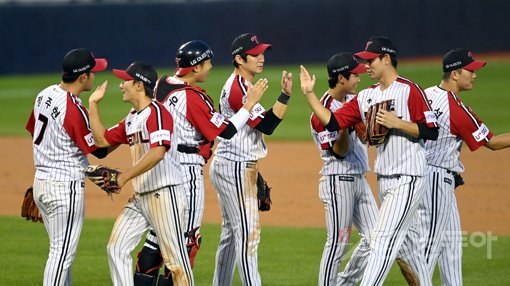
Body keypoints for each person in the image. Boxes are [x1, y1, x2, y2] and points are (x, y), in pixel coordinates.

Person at [300, 36, 439, 286]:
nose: (365, 67)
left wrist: (398, 123)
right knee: (406, 246)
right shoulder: (365, 97)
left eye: (370, 60)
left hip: (408, 176)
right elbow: (332, 122)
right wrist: (309, 96)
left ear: (386, 60)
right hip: (382, 180)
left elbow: (431, 130)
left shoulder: (410, 90)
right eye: (362, 63)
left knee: (380, 241)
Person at [134, 40, 267, 286]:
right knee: (187, 241)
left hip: (160, 168)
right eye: (207, 63)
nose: (210, 67)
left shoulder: (162, 84)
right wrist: (249, 105)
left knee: (157, 236)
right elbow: (225, 131)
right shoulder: (193, 97)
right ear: (195, 67)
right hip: (185, 172)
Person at [398, 48, 510, 286]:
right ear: (455, 74)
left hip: (422, 174)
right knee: (428, 249)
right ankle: (407, 260)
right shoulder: (456, 109)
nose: (475, 75)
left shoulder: (424, 94)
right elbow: (493, 143)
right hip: (436, 179)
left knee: (450, 246)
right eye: (471, 70)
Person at [87, 62, 193, 286]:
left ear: (138, 85)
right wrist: (93, 104)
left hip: (164, 195)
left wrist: (124, 177)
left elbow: (158, 152)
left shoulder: (157, 112)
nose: (121, 85)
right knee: (116, 248)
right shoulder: (132, 117)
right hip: (140, 197)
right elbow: (102, 142)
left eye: (125, 80)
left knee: (175, 262)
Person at [209, 32, 292, 286]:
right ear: (239, 58)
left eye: (262, 52)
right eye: (255, 54)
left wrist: (283, 96)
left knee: (232, 236)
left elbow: (259, 122)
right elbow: (267, 126)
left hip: (232, 164)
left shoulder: (242, 85)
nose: (261, 58)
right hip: (235, 167)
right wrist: (284, 97)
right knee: (248, 237)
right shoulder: (239, 89)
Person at [25, 48, 108, 286]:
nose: (95, 76)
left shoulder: (44, 94)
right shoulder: (73, 108)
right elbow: (99, 149)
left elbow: (35, 132)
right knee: (61, 256)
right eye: (93, 72)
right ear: (83, 77)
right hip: (64, 190)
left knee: (60, 253)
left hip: (41, 182)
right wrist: (123, 130)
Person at [309, 53, 379, 286]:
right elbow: (338, 151)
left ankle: (343, 284)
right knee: (338, 243)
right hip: (337, 180)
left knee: (376, 239)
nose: (358, 79)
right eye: (354, 75)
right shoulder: (322, 111)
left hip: (359, 178)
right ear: (341, 79)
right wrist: (342, 125)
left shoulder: (354, 101)